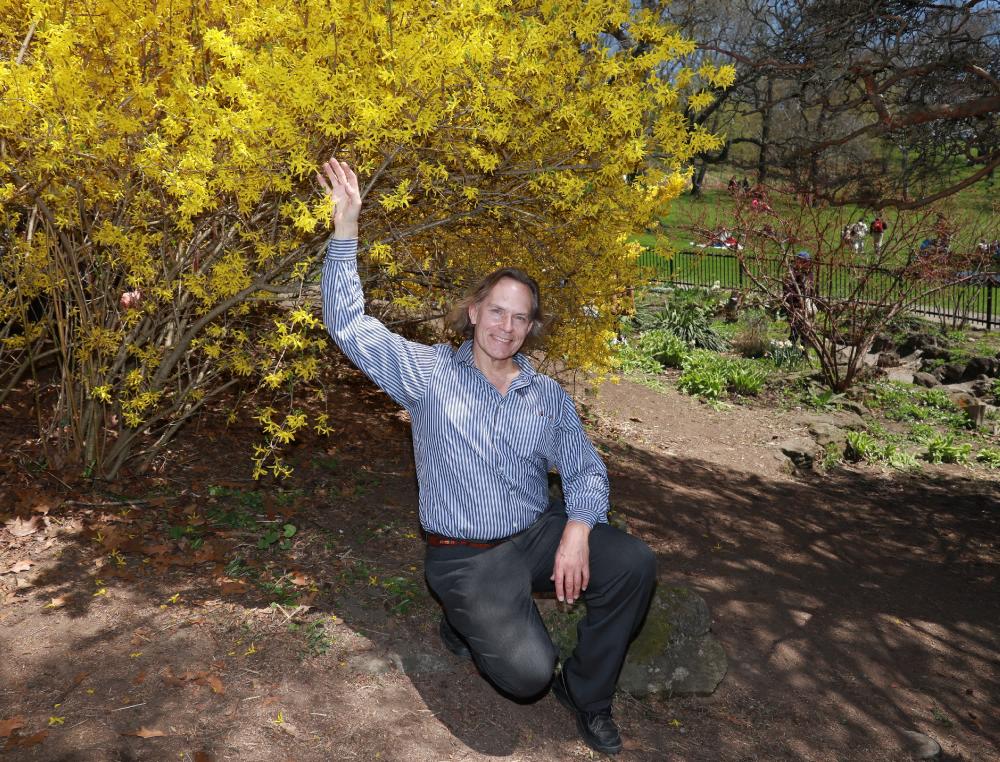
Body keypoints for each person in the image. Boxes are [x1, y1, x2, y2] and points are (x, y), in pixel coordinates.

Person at [316, 157, 656, 755]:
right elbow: (348, 325)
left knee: (633, 563)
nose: (506, 326)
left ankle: (587, 694)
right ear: (474, 312)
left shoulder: (545, 395)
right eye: (497, 310)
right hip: (465, 556)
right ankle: (462, 616)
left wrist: (578, 529)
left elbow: (584, 468)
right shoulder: (428, 373)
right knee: (527, 675)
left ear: (530, 328)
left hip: (534, 534)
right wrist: (346, 229)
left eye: (520, 317)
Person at [783, 251, 816, 350]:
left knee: (804, 330)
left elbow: (811, 288)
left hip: (806, 305)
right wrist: (795, 304)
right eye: (802, 261)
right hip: (795, 305)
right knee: (796, 329)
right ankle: (791, 350)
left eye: (806, 261)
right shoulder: (792, 273)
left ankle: (801, 351)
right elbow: (788, 289)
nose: (805, 263)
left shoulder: (809, 273)